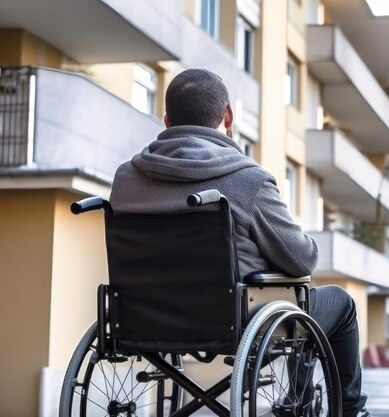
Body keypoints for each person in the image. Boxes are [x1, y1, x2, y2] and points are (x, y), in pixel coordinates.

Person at [109, 68, 369, 417]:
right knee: (336, 302)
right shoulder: (247, 180)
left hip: (143, 317)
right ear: (227, 116)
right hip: (236, 318)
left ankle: (303, 399)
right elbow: (302, 261)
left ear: (168, 119)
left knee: (296, 307)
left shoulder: (126, 178)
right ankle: (351, 412)